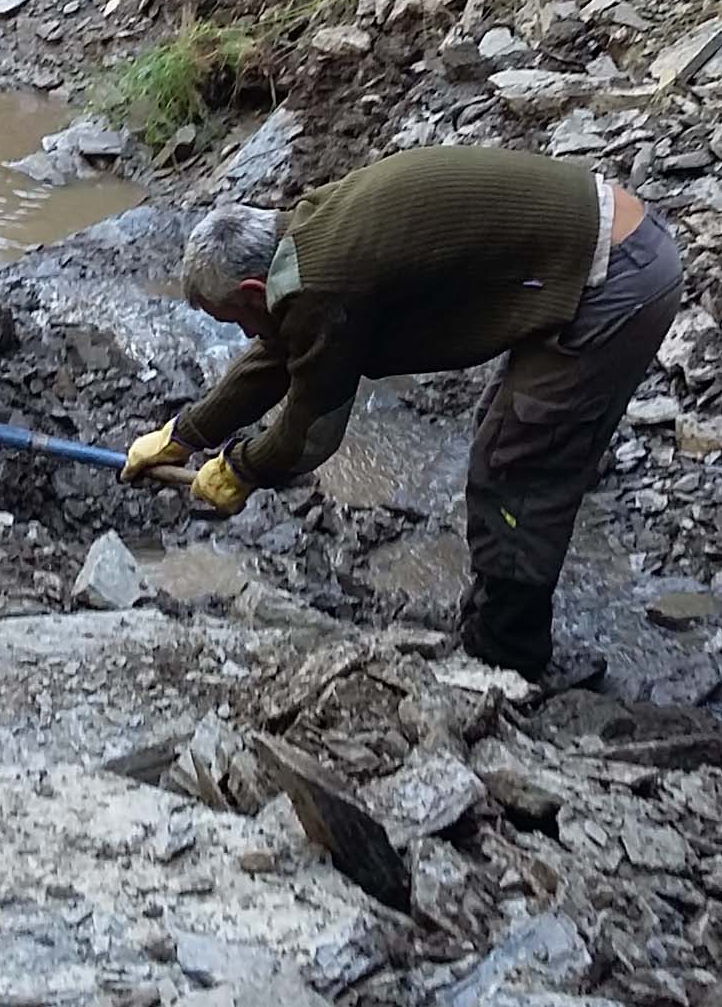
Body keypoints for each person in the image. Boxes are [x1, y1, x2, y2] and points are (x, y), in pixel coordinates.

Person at [123, 146, 684, 681]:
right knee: (500, 444)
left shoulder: (321, 283)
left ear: (252, 289)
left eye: (237, 320)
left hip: (614, 280)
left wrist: (240, 469)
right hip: (598, 250)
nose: (244, 332)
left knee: (516, 472)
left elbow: (312, 432)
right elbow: (280, 352)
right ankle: (493, 621)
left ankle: (508, 662)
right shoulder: (300, 239)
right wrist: (185, 434)